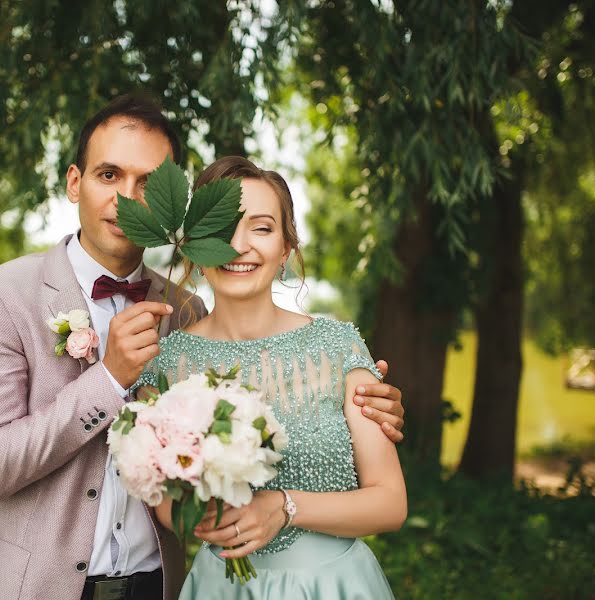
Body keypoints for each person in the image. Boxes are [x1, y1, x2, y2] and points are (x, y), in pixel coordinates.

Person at [0, 96, 406, 600]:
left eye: (147, 183)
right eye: (108, 175)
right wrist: (108, 378)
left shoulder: (184, 312)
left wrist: (367, 404)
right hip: (37, 588)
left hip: (159, 586)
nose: (126, 199)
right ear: (75, 182)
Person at [142, 156, 406, 599]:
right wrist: (209, 515)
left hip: (332, 587)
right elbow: (167, 505)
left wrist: (284, 507)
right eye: (220, 227)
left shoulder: (338, 348)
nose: (238, 245)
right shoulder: (166, 365)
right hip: (221, 588)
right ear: (193, 245)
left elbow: (391, 503)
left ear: (286, 248)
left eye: (261, 228)